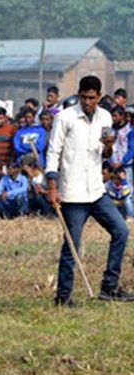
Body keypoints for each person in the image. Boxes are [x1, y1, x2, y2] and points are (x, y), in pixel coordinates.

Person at [46, 75, 134, 304]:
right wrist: (52, 187)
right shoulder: (65, 117)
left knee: (121, 231)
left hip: (96, 190)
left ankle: (109, 286)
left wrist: (108, 147)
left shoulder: (105, 117)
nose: (87, 102)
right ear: (78, 94)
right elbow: (53, 152)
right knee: (72, 245)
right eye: (84, 97)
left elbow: (104, 153)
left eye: (92, 98)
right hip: (72, 192)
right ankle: (63, 296)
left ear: (98, 96)